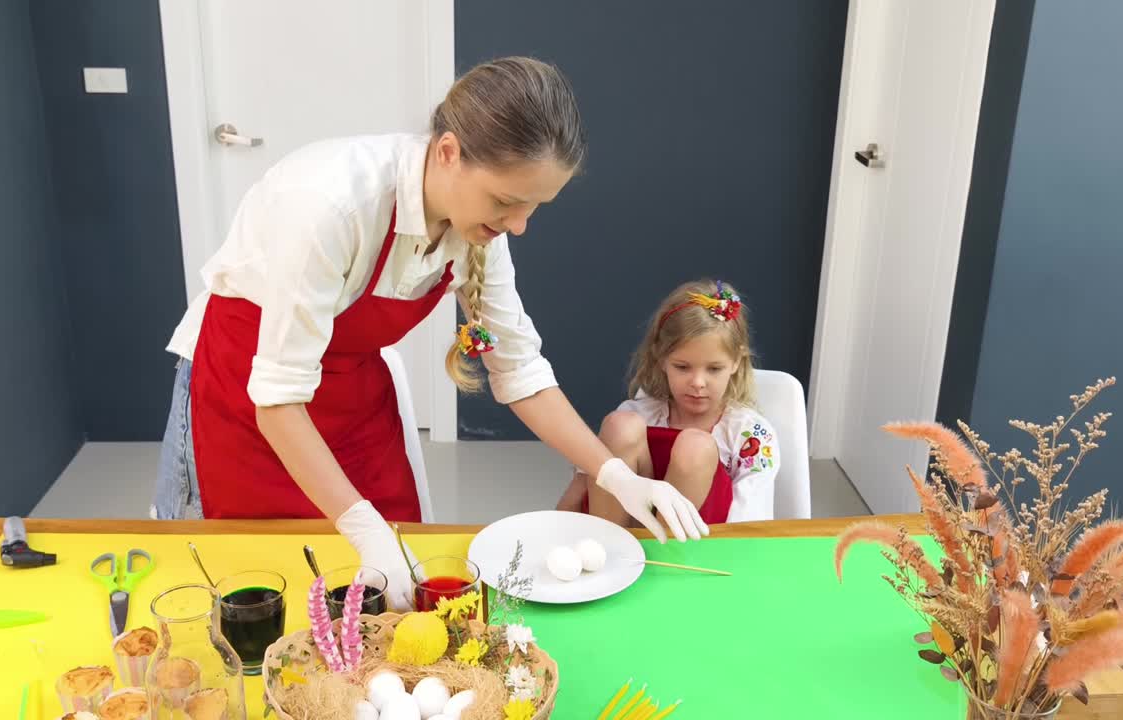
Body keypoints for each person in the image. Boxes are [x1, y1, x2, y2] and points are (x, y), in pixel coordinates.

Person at [154, 57, 708, 610]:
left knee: (398, 590)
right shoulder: (332, 206)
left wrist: (613, 474)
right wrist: (363, 529)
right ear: (448, 153)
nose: (518, 226)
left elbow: (520, 372)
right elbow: (277, 401)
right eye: (507, 202)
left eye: (535, 206)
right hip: (248, 396)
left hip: (352, 397)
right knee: (262, 584)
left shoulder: (480, 231)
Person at [558, 280, 780, 524]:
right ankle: (611, 544)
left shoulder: (750, 435)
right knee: (620, 426)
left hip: (702, 546)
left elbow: (749, 516)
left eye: (714, 369)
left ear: (736, 361)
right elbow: (583, 486)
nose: (698, 382)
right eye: (682, 367)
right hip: (626, 530)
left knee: (695, 446)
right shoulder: (638, 413)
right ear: (661, 358)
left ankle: (663, 558)